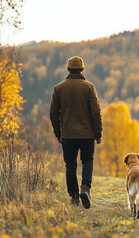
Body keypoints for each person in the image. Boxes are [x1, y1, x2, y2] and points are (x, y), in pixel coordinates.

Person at [49, 56, 102, 209]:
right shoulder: (89, 87)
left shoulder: (58, 88)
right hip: (87, 134)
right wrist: (98, 134)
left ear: (68, 69)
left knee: (70, 165)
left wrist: (58, 133)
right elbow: (96, 112)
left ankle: (74, 197)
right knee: (87, 161)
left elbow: (53, 113)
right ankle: (85, 188)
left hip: (68, 135)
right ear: (82, 69)